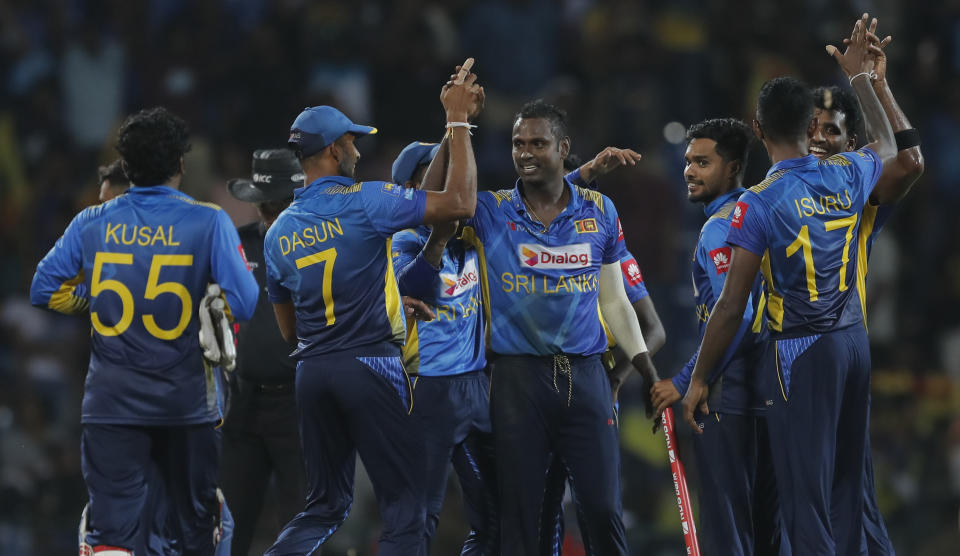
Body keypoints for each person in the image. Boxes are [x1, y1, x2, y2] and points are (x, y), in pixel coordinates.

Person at [680, 15, 901, 554]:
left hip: (798, 351)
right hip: (854, 344)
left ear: (758, 131)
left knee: (805, 500)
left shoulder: (755, 204)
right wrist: (864, 81)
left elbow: (732, 305)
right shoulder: (848, 171)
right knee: (849, 489)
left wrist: (699, 377)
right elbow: (893, 148)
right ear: (809, 129)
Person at [262, 64, 482, 555]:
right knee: (405, 508)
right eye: (353, 142)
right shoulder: (366, 200)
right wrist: (459, 122)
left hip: (313, 374)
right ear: (335, 149)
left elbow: (291, 328)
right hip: (372, 366)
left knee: (324, 506)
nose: (359, 151)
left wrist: (377, 302)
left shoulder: (278, 232)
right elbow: (461, 203)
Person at [31, 106, 259, 555]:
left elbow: (44, 289)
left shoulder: (91, 222)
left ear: (127, 167)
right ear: (179, 165)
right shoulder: (208, 220)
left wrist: (93, 303)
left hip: (112, 404)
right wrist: (212, 306)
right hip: (187, 404)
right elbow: (246, 300)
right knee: (195, 530)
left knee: (112, 535)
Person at [458, 99, 660, 555]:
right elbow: (449, 202)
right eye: (517, 143)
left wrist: (648, 373)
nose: (525, 152)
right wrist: (457, 121)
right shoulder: (491, 211)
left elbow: (614, 300)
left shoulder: (600, 210)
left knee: (604, 508)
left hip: (585, 376)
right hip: (516, 380)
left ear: (563, 147)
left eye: (538, 143)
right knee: (524, 518)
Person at [807, 26, 923, 555]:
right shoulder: (766, 199)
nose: (818, 138)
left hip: (837, 353)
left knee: (846, 496)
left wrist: (873, 84)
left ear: (852, 147)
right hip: (776, 361)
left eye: (831, 131)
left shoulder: (857, 195)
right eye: (810, 128)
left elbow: (907, 162)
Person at [649, 118, 779, 555]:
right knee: (765, 530)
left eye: (703, 162)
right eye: (688, 161)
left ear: (734, 167)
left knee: (727, 530)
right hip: (768, 388)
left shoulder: (723, 226)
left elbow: (737, 313)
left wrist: (688, 379)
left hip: (729, 393)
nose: (689, 171)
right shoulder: (764, 212)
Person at [541, 150, 666, 556]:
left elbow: (653, 330)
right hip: (534, 384)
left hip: (591, 379)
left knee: (599, 507)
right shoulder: (526, 237)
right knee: (541, 510)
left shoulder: (610, 251)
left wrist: (615, 378)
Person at [391, 140, 499, 555]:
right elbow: (412, 291)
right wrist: (437, 239)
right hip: (424, 391)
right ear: (411, 186)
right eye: (439, 174)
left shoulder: (472, 237)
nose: (455, 184)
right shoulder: (398, 241)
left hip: (476, 385)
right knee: (416, 520)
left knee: (496, 516)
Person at [220, 149, 308, 555]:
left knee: (302, 531)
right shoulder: (236, 246)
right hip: (241, 406)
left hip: (300, 408)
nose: (269, 209)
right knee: (227, 528)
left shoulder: (319, 247)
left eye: (277, 201)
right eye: (265, 201)